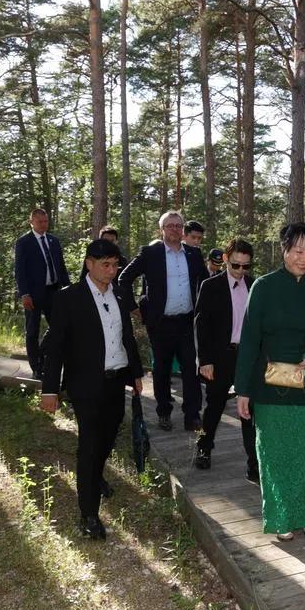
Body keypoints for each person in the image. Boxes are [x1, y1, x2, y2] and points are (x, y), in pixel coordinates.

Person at [235, 223, 305, 542]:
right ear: (284, 250)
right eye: (297, 251)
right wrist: (242, 390)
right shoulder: (263, 287)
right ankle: (281, 516)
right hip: (269, 382)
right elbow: (250, 340)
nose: (304, 258)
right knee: (275, 453)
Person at [40, 239, 144, 541]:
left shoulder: (121, 293)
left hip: (116, 380)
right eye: (105, 265)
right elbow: (56, 348)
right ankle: (88, 514)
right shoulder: (69, 298)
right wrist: (49, 390)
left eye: (115, 265)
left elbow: (127, 336)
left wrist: (135, 373)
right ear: (89, 264)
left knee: (108, 437)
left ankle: (95, 476)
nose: (111, 271)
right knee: (89, 443)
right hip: (85, 384)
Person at [119, 211, 209, 432]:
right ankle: (164, 413)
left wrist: (206, 311)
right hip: (160, 323)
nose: (174, 230)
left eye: (178, 226)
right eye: (170, 226)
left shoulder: (193, 254)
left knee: (190, 369)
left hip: (187, 322)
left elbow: (207, 283)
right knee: (162, 370)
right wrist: (132, 307)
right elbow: (124, 278)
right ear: (162, 229)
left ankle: (192, 415)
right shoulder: (151, 253)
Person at [194, 238, 257, 481]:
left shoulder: (255, 286)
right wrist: (205, 359)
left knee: (249, 410)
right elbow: (201, 325)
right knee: (214, 405)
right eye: (236, 265)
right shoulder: (210, 286)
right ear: (225, 260)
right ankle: (204, 447)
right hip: (220, 357)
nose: (241, 271)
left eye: (246, 266)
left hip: (248, 357)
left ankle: (253, 464)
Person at [14, 208, 70, 379]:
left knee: (60, 327)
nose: (44, 224)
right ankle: (37, 367)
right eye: (40, 221)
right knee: (32, 331)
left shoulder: (53, 240)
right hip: (33, 294)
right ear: (31, 222)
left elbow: (60, 266)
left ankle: (42, 354)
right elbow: (19, 270)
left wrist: (68, 288)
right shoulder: (24, 242)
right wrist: (24, 294)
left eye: (46, 221)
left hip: (54, 291)